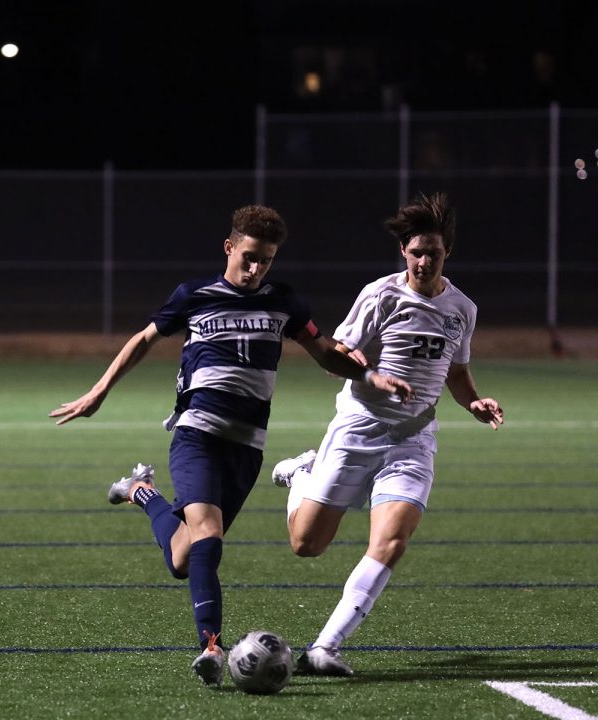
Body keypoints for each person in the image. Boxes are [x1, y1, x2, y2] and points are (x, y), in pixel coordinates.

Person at [49, 204, 412, 687]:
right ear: (229, 247)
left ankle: (141, 490)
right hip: (196, 435)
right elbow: (143, 338)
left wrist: (369, 374)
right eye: (249, 257)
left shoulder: (283, 302)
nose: (256, 268)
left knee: (184, 556)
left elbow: (323, 348)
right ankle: (212, 646)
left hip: (246, 450)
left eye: (266, 260)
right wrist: (99, 391)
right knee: (209, 535)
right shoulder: (194, 295)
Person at [272, 191, 504, 677]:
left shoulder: (463, 308)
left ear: (447, 255)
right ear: (404, 252)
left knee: (392, 542)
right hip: (358, 428)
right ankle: (301, 474)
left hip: (413, 440)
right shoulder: (380, 295)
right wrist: (373, 376)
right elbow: (339, 355)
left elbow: (456, 374)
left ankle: (325, 647)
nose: (423, 261)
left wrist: (475, 403)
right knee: (306, 544)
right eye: (416, 252)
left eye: (433, 254)